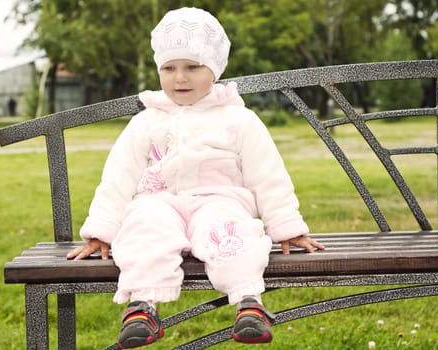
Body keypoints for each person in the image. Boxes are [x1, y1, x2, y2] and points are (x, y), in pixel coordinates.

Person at [67, 7, 324, 349]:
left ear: (214, 69)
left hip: (219, 201)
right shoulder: (147, 121)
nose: (180, 78)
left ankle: (248, 302)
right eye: (169, 68)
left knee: (235, 233)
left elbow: (268, 174)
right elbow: (119, 175)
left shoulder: (238, 119)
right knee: (143, 229)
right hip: (158, 203)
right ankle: (143, 306)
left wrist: (287, 226)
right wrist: (101, 231)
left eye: (192, 67)